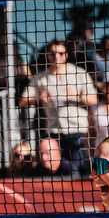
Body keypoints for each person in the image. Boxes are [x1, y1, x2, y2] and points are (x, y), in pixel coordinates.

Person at [19, 39, 98, 175]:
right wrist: (39, 96)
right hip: (54, 130)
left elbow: (94, 99)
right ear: (48, 56)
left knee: (78, 170)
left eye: (60, 53)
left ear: (66, 55)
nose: (56, 57)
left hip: (77, 130)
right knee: (55, 172)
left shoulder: (79, 73)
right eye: (52, 54)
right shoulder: (41, 78)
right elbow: (22, 101)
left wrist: (77, 95)